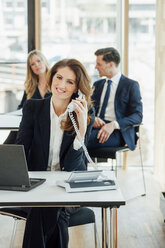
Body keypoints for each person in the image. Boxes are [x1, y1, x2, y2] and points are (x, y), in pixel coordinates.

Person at [16, 58, 95, 248]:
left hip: (68, 189)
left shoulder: (84, 114)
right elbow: (20, 150)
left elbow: (74, 167)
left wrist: (81, 130)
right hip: (37, 187)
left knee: (45, 207)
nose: (61, 85)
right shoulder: (33, 108)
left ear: (77, 88)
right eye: (59, 77)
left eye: (70, 82)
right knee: (51, 210)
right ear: (51, 77)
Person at [88, 47, 143, 151]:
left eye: (99, 64)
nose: (96, 67)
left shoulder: (130, 85)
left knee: (82, 140)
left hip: (117, 131)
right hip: (95, 128)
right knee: (71, 136)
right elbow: (89, 109)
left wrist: (114, 124)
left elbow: (138, 116)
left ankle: (78, 168)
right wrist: (93, 119)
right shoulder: (97, 85)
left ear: (111, 65)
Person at [4, 49, 51, 144]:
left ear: (44, 61)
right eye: (32, 64)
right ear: (31, 69)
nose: (36, 65)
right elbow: (21, 106)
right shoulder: (30, 86)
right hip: (31, 123)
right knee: (14, 135)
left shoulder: (55, 82)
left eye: (38, 61)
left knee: (20, 136)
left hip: (48, 122)